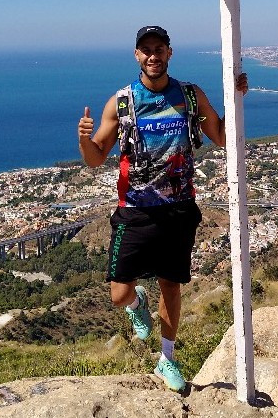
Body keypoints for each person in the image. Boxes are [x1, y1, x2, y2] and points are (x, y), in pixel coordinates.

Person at [77, 25, 248, 392]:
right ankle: (136, 304)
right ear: (137, 55)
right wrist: (84, 140)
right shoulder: (123, 102)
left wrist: (236, 98)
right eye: (146, 49)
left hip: (178, 209)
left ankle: (167, 359)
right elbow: (96, 158)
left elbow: (221, 136)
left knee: (171, 286)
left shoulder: (189, 95)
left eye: (159, 48)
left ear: (170, 53)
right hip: (135, 209)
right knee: (119, 294)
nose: (153, 55)